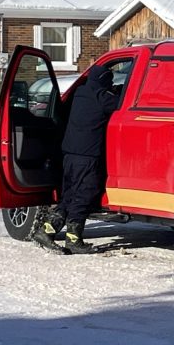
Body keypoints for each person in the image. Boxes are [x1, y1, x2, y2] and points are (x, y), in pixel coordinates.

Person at [31, 64, 119, 254]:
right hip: (87, 155)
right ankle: (74, 240)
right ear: (105, 80)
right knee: (85, 194)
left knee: (69, 194)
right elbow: (122, 104)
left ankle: (47, 231)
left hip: (69, 153)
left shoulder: (79, 93)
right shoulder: (102, 97)